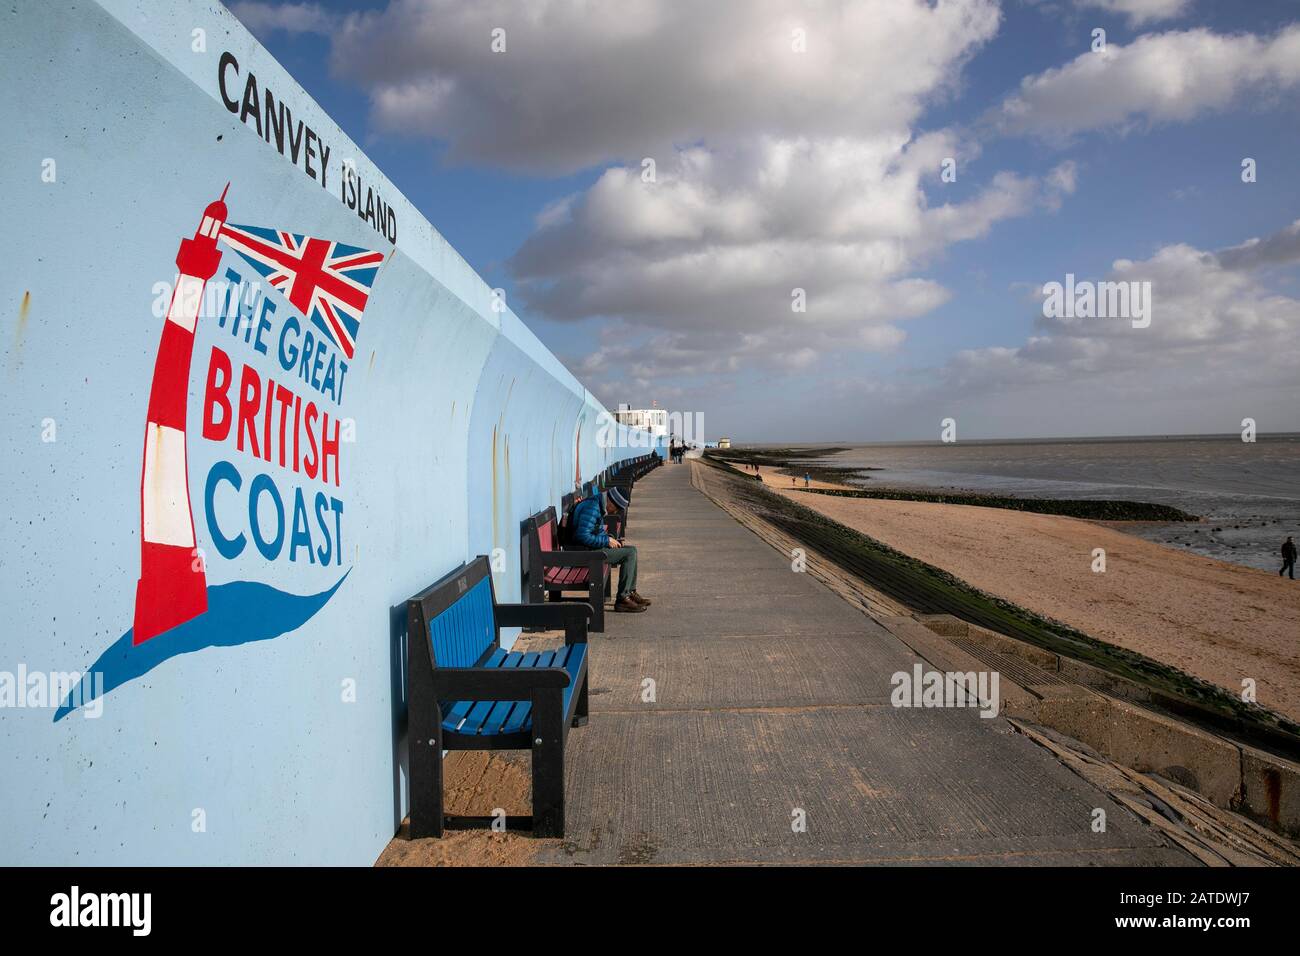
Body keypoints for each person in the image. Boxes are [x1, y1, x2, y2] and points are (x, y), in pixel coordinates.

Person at [570, 486, 651, 612]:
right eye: (617, 508)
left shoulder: (598, 504)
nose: (616, 512)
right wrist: (606, 541)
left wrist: (610, 540)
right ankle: (623, 599)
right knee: (629, 554)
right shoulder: (592, 508)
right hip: (585, 553)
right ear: (611, 502)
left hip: (589, 549)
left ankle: (629, 591)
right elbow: (582, 536)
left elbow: (595, 531)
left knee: (632, 550)